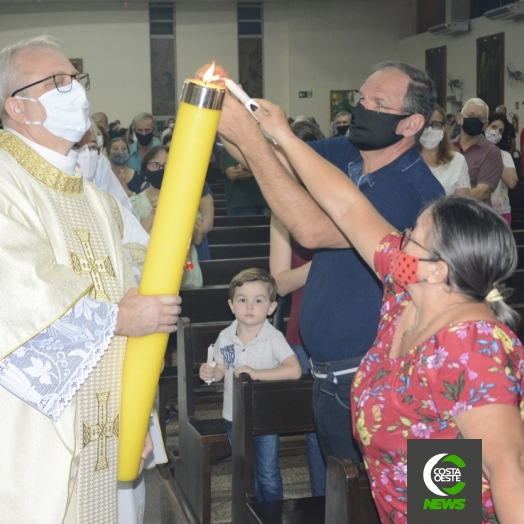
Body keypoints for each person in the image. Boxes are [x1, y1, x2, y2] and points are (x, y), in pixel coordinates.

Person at [234, 98, 524, 524]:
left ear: (438, 268)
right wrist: (279, 134)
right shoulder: (406, 291)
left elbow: (506, 470)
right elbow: (349, 208)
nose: (397, 239)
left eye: (411, 236)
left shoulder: (470, 346)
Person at [206, 61, 445, 465]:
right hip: (328, 375)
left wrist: (254, 135)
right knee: (342, 492)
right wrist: (225, 111)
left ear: (410, 123)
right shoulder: (348, 152)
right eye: (361, 98)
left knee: (394, 491)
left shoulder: (418, 192)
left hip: (373, 376)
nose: (361, 109)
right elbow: (270, 161)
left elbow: (313, 230)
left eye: (377, 102)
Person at [0, 36, 182, 524]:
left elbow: (133, 310)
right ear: (16, 107)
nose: (74, 91)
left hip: (104, 420)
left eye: (76, 80)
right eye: (57, 82)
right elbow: (16, 294)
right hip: (30, 425)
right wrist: (120, 318)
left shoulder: (97, 201)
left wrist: (135, 411)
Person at [199, 268, 301, 502]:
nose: (250, 307)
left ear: (271, 307)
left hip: (265, 417)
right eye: (243, 300)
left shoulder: (273, 337)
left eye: (258, 301)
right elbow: (220, 370)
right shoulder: (225, 336)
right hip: (234, 416)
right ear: (232, 305)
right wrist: (209, 372)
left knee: (267, 473)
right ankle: (250, 512)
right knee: (245, 471)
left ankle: (272, 514)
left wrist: (256, 373)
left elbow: (294, 369)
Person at [269, 118, 327, 496]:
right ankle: (327, 507)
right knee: (314, 432)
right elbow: (280, 282)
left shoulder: (341, 204)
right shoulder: (281, 214)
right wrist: (326, 263)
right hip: (303, 330)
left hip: (349, 331)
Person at [131, 145, 203, 288]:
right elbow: (134, 243)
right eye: (155, 165)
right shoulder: (134, 203)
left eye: (166, 165)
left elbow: (198, 238)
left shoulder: (186, 200)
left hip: (187, 278)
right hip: (150, 277)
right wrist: (155, 212)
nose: (160, 169)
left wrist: (178, 210)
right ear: (146, 169)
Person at [452, 98, 503, 207]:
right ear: (460, 118)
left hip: (475, 217)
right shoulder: (447, 148)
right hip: (444, 218)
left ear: (485, 125)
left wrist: (448, 200)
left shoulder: (492, 152)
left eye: (480, 118)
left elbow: (483, 191)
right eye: (470, 116)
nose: (474, 120)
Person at [419, 105, 470, 196]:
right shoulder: (405, 161)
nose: (430, 129)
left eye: (435, 124)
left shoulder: (458, 161)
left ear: (444, 127)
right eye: (425, 124)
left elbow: (463, 205)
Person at [485, 112, 519, 224]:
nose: (496, 132)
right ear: (486, 126)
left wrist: (495, 155)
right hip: (478, 211)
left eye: (500, 130)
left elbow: (512, 182)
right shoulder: (474, 153)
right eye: (494, 127)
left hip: (501, 213)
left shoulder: (504, 156)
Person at [221, 148, 269, 216]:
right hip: (240, 202)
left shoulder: (266, 146)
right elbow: (232, 174)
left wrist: (249, 170)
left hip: (267, 202)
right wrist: (258, 169)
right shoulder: (230, 147)